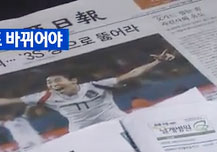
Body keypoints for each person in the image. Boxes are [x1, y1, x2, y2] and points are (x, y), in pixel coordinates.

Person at [0, 50, 175, 132]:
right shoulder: (46, 97)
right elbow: (10, 101)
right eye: (49, 82)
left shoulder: (96, 85)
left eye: (56, 80)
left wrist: (157, 62)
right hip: (82, 132)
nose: (52, 84)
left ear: (73, 80)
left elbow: (131, 75)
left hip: (116, 122)